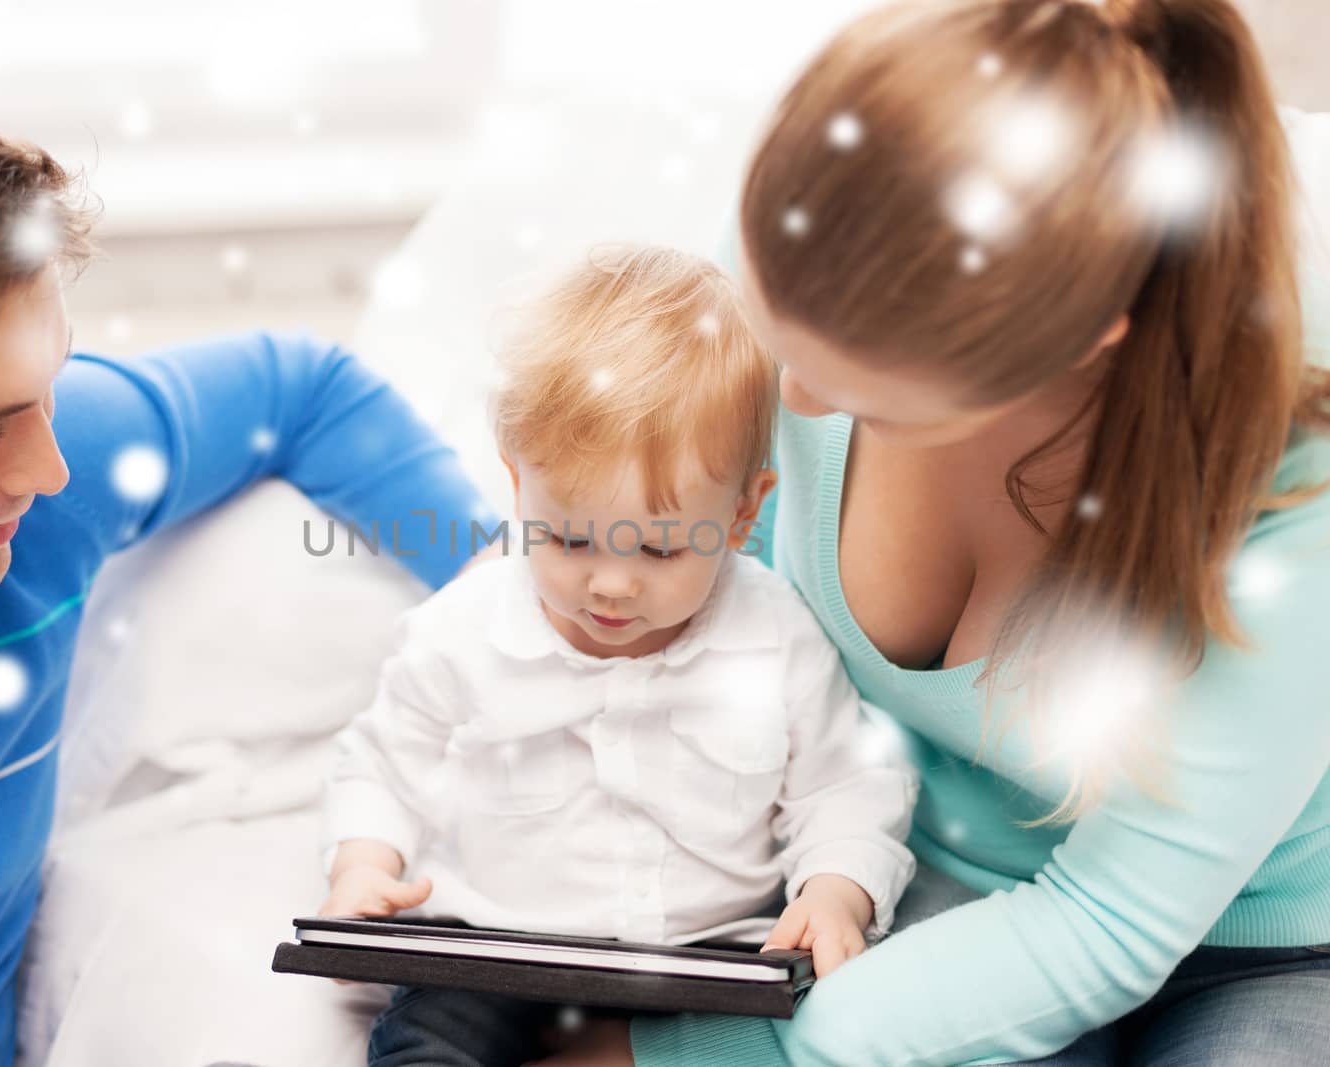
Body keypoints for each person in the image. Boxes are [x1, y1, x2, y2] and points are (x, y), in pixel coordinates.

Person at [532, 1, 1330, 1065]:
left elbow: (1102, 928)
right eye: (779, 340)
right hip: (916, 880)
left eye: (880, 403)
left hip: (1258, 941)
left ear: (1088, 342)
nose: (796, 404)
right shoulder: (816, 251)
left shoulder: (1296, 490)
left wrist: (685, 1052)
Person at [0, 56, 500, 1065]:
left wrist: (514, 612)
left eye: (47, 389)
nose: (48, 468)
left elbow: (302, 390)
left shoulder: (51, 477)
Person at [317, 246, 917, 1067]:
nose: (609, 585)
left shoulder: (776, 635)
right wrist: (363, 864)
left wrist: (835, 889)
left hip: (712, 960)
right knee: (429, 1043)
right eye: (566, 537)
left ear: (743, 515)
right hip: (496, 953)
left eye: (660, 551)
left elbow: (848, 782)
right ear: (517, 486)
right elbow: (380, 764)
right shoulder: (462, 630)